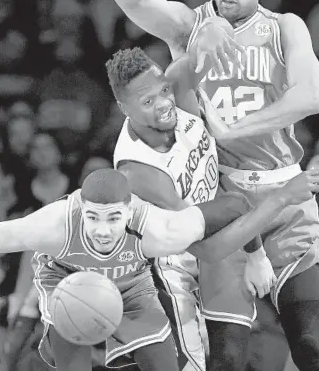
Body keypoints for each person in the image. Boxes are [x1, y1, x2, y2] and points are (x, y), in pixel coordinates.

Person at [111, 0, 319, 371]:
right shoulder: (188, 27)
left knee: (312, 346)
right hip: (223, 205)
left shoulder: (285, 28)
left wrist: (236, 129)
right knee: (228, 359)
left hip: (285, 200)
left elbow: (311, 98)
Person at [0, 167, 319, 371]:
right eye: (93, 217)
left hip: (130, 282)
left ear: (128, 212)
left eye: (112, 218)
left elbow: (236, 204)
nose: (101, 230)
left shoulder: (161, 229)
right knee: (72, 357)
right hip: (68, 280)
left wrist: (257, 257)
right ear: (80, 209)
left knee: (161, 364)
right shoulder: (52, 226)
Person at [109, 45, 274, 371]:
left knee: (231, 360)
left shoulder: (181, 94)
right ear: (122, 108)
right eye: (147, 102)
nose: (163, 104)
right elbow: (202, 234)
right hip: (171, 265)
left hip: (222, 231)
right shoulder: (138, 170)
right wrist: (257, 254)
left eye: (163, 91)